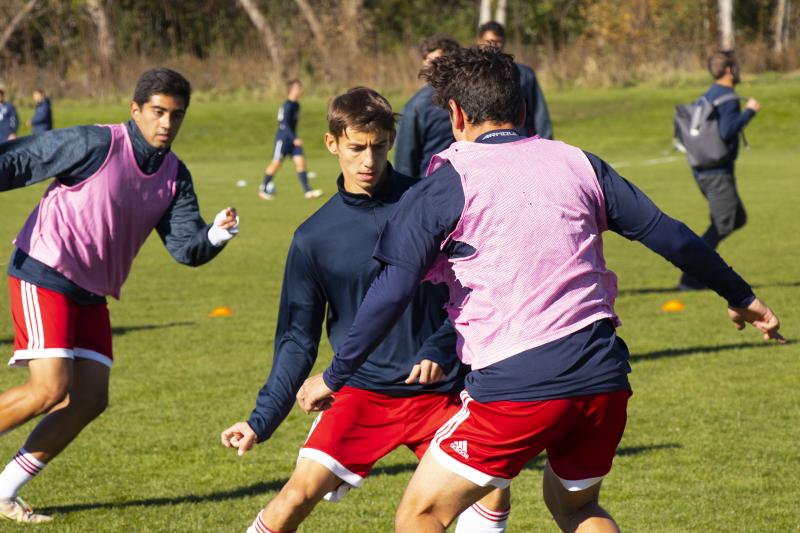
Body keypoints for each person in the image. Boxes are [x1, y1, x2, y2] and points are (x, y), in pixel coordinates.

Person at [295, 47, 784, 533]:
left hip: (518, 386)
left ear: (457, 115)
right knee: (575, 508)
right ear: (523, 109)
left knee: (423, 513)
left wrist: (335, 376)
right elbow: (671, 234)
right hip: (603, 378)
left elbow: (391, 291)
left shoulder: (447, 182)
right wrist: (742, 296)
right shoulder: (579, 163)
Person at [221, 87, 510, 533]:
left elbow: (475, 289)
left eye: (377, 146)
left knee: (492, 488)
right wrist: (262, 419)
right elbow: (297, 339)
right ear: (332, 143)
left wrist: (441, 348)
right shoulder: (313, 238)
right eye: (356, 147)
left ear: (391, 139)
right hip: (359, 392)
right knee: (294, 498)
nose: (368, 161)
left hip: (439, 394)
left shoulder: (432, 202)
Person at [0, 68, 240, 523]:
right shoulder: (97, 143)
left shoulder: (175, 175)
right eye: (157, 112)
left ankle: (4, 490)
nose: (166, 123)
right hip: (45, 268)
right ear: (135, 110)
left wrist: (215, 235)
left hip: (91, 291)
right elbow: (23, 160)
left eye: (176, 115)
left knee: (90, 398)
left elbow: (185, 247)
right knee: (49, 389)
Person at [678, 51, 760, 290]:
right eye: (738, 67)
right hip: (717, 173)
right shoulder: (728, 98)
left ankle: (696, 271)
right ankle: (691, 278)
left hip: (703, 171)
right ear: (729, 70)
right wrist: (750, 111)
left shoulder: (709, 95)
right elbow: (727, 130)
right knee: (724, 224)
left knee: (736, 218)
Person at [394, 34, 460, 178]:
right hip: (430, 188)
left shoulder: (471, 97)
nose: (429, 66)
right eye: (426, 60)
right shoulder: (417, 106)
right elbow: (404, 164)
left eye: (434, 61)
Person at [478, 21, 552, 140]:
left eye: (497, 41)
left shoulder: (524, 74)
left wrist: (546, 142)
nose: (493, 46)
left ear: (503, 42)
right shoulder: (472, 76)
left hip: (520, 141)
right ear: (480, 41)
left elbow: (539, 113)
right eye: (488, 41)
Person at [258, 79, 322, 200]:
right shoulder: (287, 105)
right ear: (292, 89)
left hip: (293, 140)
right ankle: (263, 189)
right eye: (298, 87)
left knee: (301, 162)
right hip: (283, 139)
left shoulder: (297, 104)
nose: (300, 90)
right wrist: (294, 138)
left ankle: (307, 190)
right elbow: (284, 124)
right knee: (276, 163)